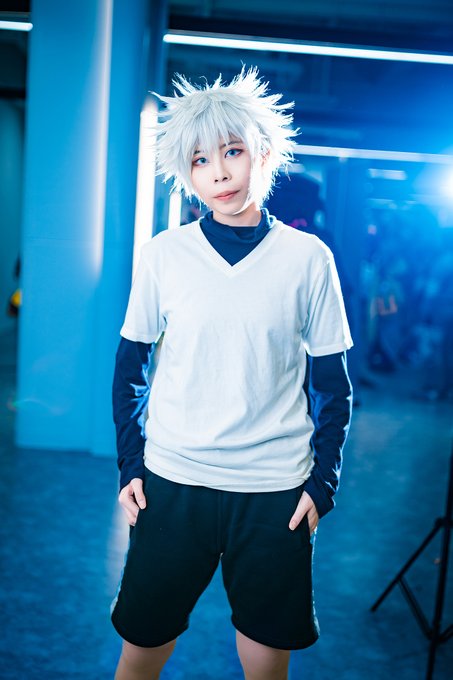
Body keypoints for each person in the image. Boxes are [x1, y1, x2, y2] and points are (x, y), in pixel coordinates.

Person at [111, 67, 353, 680]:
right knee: (141, 650)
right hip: (173, 481)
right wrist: (131, 466)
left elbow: (332, 385)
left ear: (263, 155)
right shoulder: (164, 255)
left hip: (275, 490)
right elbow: (131, 367)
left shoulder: (309, 259)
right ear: (186, 174)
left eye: (232, 151)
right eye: (199, 160)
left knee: (265, 661)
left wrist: (322, 483)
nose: (217, 172)